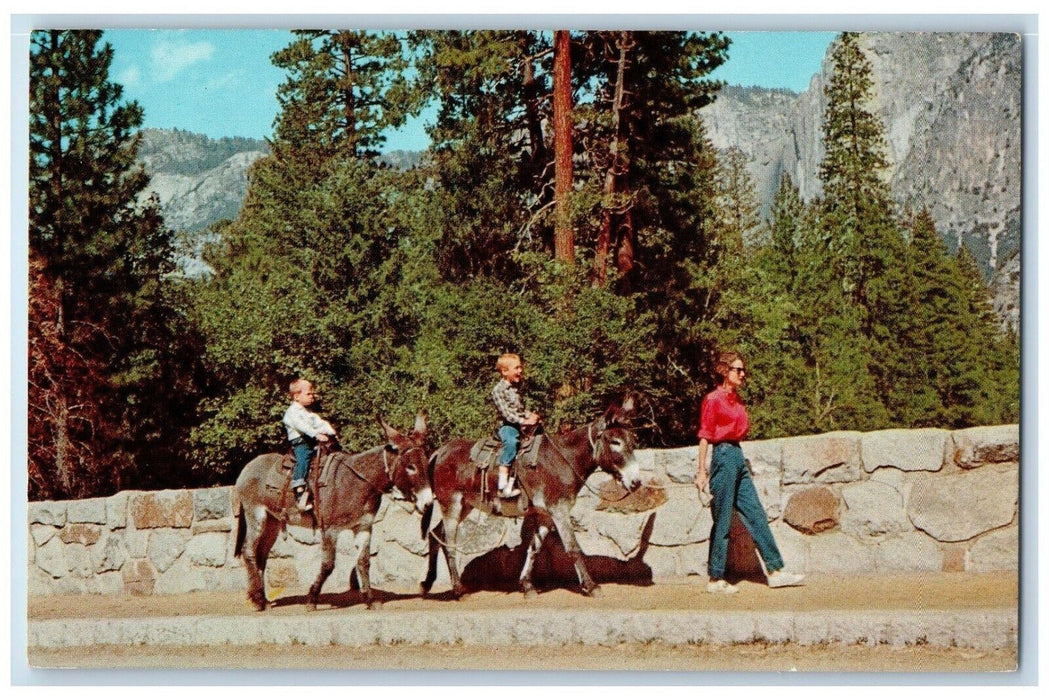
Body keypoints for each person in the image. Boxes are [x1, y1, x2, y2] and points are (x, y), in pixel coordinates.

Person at [694, 352, 805, 594]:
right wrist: (701, 471)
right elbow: (705, 435)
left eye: (744, 370)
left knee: (755, 512)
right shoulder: (713, 399)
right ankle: (715, 578)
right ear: (725, 371)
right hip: (722, 456)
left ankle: (775, 571)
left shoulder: (738, 401)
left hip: (737, 455)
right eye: (738, 370)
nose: (743, 374)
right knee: (722, 519)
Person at [283, 378, 337, 512]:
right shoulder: (292, 412)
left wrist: (331, 431)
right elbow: (301, 426)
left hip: (312, 440)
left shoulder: (308, 413)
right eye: (309, 394)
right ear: (296, 396)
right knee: (304, 459)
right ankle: (299, 489)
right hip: (301, 442)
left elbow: (320, 423)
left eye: (313, 394)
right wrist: (316, 434)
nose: (312, 396)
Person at [492, 353, 540, 498]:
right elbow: (507, 414)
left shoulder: (514, 388)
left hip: (518, 423)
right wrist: (525, 421)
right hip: (507, 425)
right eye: (516, 368)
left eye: (520, 367)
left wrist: (529, 415)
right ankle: (502, 485)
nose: (520, 371)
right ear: (505, 371)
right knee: (511, 443)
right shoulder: (498, 390)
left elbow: (518, 410)